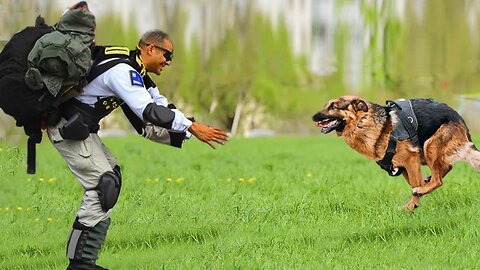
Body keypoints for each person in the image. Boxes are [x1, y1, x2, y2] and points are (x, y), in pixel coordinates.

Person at [47, 29, 228, 269]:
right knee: (104, 183)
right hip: (65, 129)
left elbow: (155, 112)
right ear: (150, 48)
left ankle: (84, 261)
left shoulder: (136, 72)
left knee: (112, 176)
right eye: (168, 55)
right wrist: (192, 127)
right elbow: (150, 112)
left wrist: (188, 130)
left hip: (79, 130)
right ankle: (79, 264)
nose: (169, 62)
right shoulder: (124, 72)